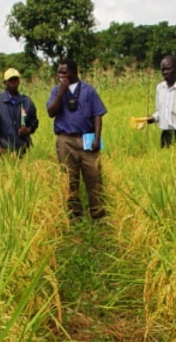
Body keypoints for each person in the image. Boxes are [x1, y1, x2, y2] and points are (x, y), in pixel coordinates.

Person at [46, 58, 107, 220]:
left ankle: (98, 211)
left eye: (64, 72)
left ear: (74, 72)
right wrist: (61, 92)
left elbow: (98, 115)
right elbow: (51, 112)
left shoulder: (89, 91)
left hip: (86, 138)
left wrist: (97, 138)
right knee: (68, 178)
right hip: (65, 140)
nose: (61, 75)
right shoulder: (55, 91)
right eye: (59, 72)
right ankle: (75, 213)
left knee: (93, 176)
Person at [0, 68, 39, 157]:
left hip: (24, 150)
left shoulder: (26, 101)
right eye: (11, 80)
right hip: (5, 150)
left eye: (16, 79)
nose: (14, 82)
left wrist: (27, 130)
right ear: (5, 82)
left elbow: (34, 122)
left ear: (19, 81)